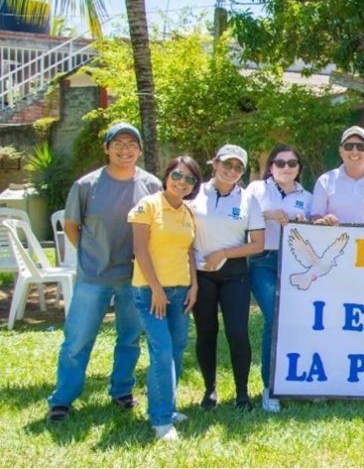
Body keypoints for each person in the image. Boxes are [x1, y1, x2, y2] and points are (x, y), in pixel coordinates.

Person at [47, 122, 162, 423]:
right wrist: (91, 253)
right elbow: (72, 226)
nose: (125, 150)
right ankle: (62, 399)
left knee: (129, 339)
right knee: (77, 341)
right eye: (118, 144)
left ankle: (121, 390)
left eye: (132, 144)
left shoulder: (151, 185)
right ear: (107, 148)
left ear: (139, 150)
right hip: (93, 277)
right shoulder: (86, 185)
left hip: (135, 278)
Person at [127, 156, 201, 442]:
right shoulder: (147, 206)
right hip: (150, 292)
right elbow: (140, 250)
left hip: (181, 291)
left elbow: (189, 251)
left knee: (177, 348)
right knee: (162, 351)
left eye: (189, 179)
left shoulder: (188, 211)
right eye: (177, 175)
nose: (182, 182)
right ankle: (160, 421)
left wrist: (194, 285)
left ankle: (168, 407)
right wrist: (156, 289)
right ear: (167, 175)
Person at [188, 144, 265, 412]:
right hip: (202, 274)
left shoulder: (248, 200)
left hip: (234, 274)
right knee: (206, 332)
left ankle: (242, 393)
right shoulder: (195, 193)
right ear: (215, 163)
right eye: (227, 164)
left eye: (238, 167)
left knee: (238, 332)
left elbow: (257, 244)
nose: (231, 171)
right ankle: (209, 390)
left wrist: (223, 253)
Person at [245, 143, 312, 412]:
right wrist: (267, 215)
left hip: (296, 265)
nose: (286, 168)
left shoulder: (307, 197)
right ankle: (269, 387)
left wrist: (307, 223)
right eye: (280, 163)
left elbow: (315, 232)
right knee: (274, 318)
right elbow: (239, 218)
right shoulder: (256, 190)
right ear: (271, 167)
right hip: (263, 260)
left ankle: (294, 380)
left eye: (292, 163)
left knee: (299, 323)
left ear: (298, 168)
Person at [311, 126, 364, 225]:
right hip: (335, 236)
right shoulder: (325, 181)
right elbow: (315, 217)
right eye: (349, 146)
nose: (354, 151)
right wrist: (323, 221)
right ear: (340, 151)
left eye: (360, 147)